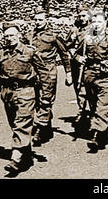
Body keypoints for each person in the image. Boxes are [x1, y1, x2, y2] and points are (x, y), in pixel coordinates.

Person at [0, 23, 39, 174]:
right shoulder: (2, 54)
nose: (9, 38)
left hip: (26, 91)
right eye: (6, 36)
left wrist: (44, 97)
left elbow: (43, 73)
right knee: (14, 124)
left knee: (21, 124)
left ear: (19, 35)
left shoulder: (29, 51)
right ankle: (26, 155)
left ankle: (16, 158)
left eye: (12, 35)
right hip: (7, 93)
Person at [74, 9, 108, 152]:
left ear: (105, 24)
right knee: (94, 105)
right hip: (90, 76)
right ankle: (104, 132)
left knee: (103, 106)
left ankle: (96, 135)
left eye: (99, 22)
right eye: (94, 22)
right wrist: (79, 58)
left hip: (107, 77)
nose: (96, 25)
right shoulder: (86, 38)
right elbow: (74, 53)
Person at [29, 9, 72, 147]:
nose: (37, 22)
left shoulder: (53, 36)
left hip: (48, 72)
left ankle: (40, 131)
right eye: (35, 19)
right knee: (35, 101)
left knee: (45, 100)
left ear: (46, 20)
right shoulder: (29, 35)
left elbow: (64, 54)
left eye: (40, 20)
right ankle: (46, 127)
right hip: (33, 73)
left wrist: (69, 72)